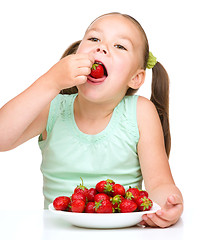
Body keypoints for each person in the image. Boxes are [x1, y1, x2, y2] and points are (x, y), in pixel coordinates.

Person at [0, 12, 183, 227]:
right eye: (94, 39)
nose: (101, 48)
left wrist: (168, 205)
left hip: (123, 233)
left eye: (120, 46)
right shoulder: (53, 107)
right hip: (58, 232)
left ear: (136, 78)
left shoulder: (140, 112)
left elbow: (159, 183)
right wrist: (50, 82)